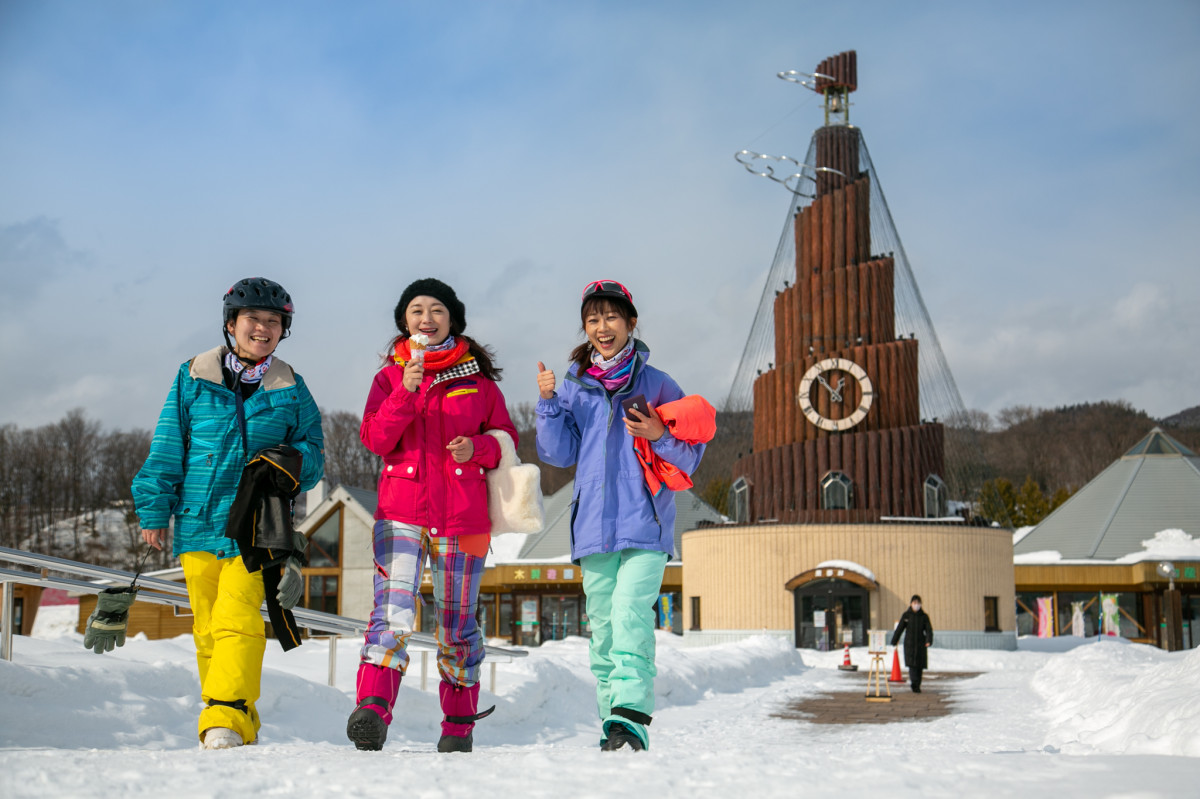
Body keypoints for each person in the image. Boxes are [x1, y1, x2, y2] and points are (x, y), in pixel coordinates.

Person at [130, 277, 325, 749]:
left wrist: (287, 462)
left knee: (238, 617)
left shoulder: (291, 388)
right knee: (207, 627)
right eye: (253, 319)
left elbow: (315, 454)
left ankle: (227, 715)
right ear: (231, 324)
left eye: (274, 322)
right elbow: (168, 444)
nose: (262, 328)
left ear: (284, 331)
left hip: (254, 526)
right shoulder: (192, 377)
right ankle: (235, 714)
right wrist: (154, 508)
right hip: (196, 521)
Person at [535, 279, 708, 752]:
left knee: (631, 616)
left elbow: (691, 458)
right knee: (605, 627)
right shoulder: (575, 384)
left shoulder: (659, 384)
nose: (602, 327)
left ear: (631, 322)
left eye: (611, 316)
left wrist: (657, 432)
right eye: (593, 319)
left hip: (645, 524)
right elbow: (558, 453)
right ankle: (613, 719)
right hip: (591, 526)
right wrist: (549, 404)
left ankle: (631, 717)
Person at [349, 277, 517, 753]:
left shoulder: (479, 383)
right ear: (405, 320)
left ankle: (458, 727)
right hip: (400, 512)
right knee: (391, 612)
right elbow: (375, 439)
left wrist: (477, 447)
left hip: (464, 517)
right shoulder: (388, 378)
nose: (427, 317)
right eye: (417, 309)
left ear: (453, 320)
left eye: (437, 309)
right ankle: (373, 711)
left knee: (457, 624)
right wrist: (404, 391)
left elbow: (505, 441)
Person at [891, 594, 934, 692]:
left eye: (918, 603)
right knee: (912, 665)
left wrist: (928, 640)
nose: (916, 605)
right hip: (909, 644)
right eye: (915, 603)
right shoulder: (906, 615)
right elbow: (900, 629)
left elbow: (929, 630)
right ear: (911, 604)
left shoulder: (924, 616)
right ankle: (914, 684)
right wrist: (894, 639)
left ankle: (917, 684)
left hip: (920, 644)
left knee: (919, 665)